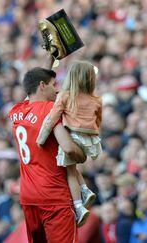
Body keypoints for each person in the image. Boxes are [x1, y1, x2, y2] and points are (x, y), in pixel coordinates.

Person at [9, 59, 87, 243]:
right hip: (54, 195)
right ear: (43, 86)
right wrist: (81, 155)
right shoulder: (50, 109)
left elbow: (34, 84)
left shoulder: (17, 111)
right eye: (54, 85)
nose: (57, 89)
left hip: (29, 196)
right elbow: (67, 147)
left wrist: (51, 57)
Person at [36, 60, 102, 224]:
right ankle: (85, 189)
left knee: (70, 172)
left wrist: (41, 138)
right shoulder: (96, 100)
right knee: (72, 166)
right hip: (90, 139)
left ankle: (79, 206)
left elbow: (52, 119)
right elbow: (98, 121)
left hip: (73, 136)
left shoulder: (65, 96)